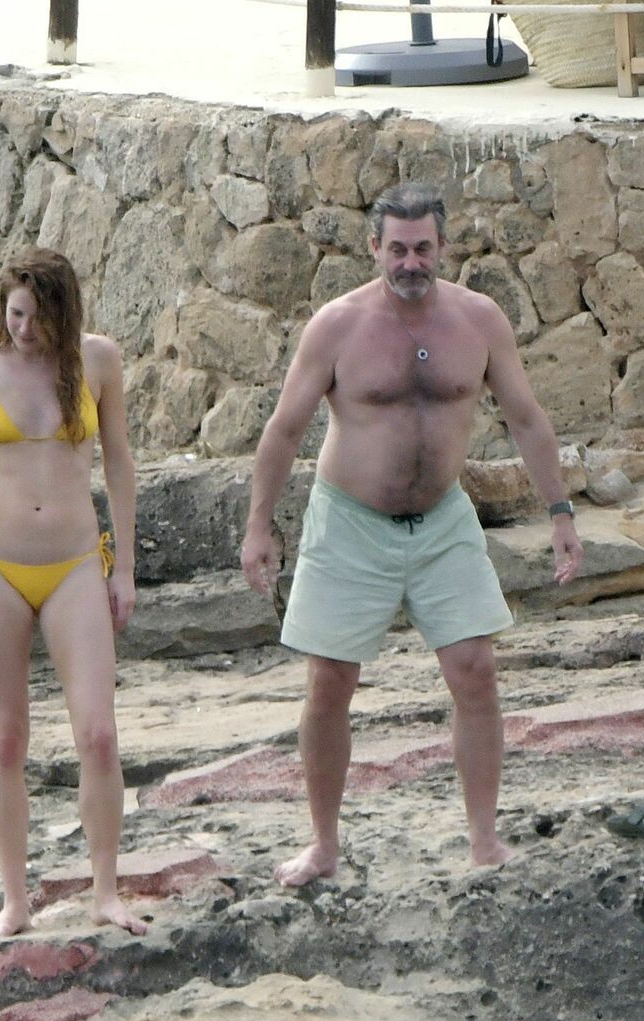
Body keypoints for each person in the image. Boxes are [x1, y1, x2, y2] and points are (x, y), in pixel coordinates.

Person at [239, 183, 585, 887]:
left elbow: (526, 418)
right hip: (349, 521)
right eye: (396, 249)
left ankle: (484, 841)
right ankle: (324, 845)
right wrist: (258, 526)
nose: (410, 262)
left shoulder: (479, 320)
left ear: (443, 247)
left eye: (423, 248)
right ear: (374, 248)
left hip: (443, 519)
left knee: (476, 670)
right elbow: (283, 429)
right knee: (330, 680)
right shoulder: (337, 326)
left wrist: (560, 512)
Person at [0, 246, 147, 936]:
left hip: (76, 563)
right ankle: (16, 902)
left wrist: (125, 567)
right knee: (5, 740)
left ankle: (106, 891)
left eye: (38, 317)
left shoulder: (98, 362)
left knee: (99, 734)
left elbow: (119, 464)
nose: (24, 329)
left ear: (65, 315)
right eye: (15, 313)